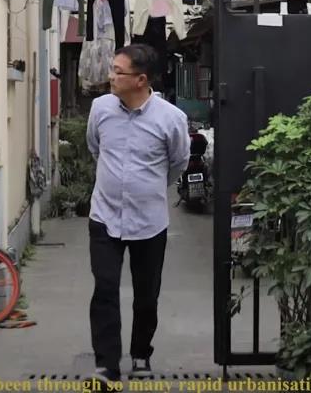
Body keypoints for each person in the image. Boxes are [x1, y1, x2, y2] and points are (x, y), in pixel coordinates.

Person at [86, 43, 189, 384]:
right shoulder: (101, 109)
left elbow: (178, 163)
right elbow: (95, 148)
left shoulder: (171, 119)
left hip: (149, 222)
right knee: (105, 290)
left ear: (141, 80)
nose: (111, 76)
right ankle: (106, 367)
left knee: (146, 296)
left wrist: (149, 187)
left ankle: (141, 352)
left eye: (118, 71)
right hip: (105, 217)